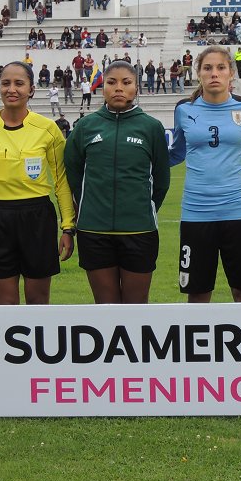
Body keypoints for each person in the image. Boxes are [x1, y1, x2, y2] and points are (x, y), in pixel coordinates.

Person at [0, 62, 76, 305]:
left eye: (19, 83)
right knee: (5, 305)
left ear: (31, 89)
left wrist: (68, 227)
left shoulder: (48, 129)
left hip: (37, 218)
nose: (11, 89)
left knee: (38, 303)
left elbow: (61, 182)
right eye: (5, 83)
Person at [64, 61, 170, 304]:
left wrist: (141, 208)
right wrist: (89, 208)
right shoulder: (85, 127)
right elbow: (74, 175)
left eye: (127, 82)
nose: (119, 88)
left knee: (136, 309)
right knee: (106, 308)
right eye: (111, 82)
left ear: (137, 88)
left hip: (139, 231)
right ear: (103, 88)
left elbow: (162, 181)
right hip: (94, 231)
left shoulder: (151, 127)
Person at [169, 47, 241, 303]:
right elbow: (176, 153)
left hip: (239, 211)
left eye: (221, 67)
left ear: (231, 73)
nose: (214, 73)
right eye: (207, 68)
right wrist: (139, 163)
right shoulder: (183, 110)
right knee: (197, 293)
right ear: (198, 73)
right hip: (196, 213)